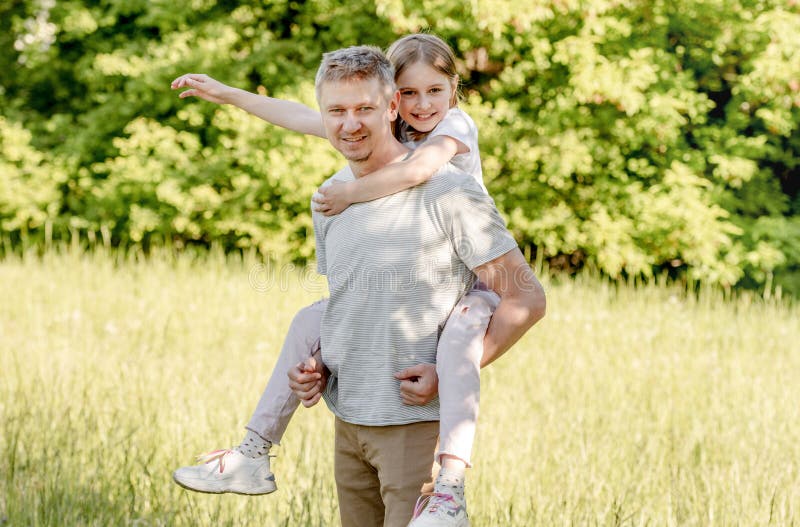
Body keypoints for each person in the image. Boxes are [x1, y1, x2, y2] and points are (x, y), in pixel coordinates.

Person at [170, 38, 545, 526]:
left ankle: (451, 490)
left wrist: (450, 373)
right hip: (349, 425)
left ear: (388, 107)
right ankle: (253, 452)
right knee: (310, 319)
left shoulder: (446, 184)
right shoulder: (330, 200)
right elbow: (357, 303)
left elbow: (526, 298)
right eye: (336, 111)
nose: (350, 123)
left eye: (365, 108)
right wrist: (320, 368)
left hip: (413, 429)